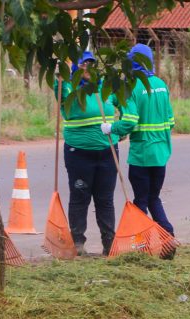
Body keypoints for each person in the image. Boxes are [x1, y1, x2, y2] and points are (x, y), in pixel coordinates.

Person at [56, 52, 137, 256]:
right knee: (80, 197)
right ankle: (77, 244)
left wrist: (117, 128)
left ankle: (109, 243)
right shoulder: (68, 88)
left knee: (105, 199)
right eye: (83, 65)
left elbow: (129, 111)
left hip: (107, 152)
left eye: (91, 64)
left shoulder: (107, 89)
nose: (88, 69)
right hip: (78, 153)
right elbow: (58, 88)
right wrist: (60, 73)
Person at [122, 43, 177, 259]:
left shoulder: (133, 87)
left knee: (140, 202)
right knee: (154, 198)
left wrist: (113, 130)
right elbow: (171, 121)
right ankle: (168, 237)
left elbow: (129, 121)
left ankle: (142, 245)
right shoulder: (161, 85)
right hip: (161, 155)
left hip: (141, 156)